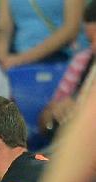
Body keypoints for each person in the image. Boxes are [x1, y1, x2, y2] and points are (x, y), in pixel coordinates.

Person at [39, 0, 96, 137]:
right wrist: (55, 113)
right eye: (90, 41)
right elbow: (44, 120)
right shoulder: (82, 60)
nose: (94, 48)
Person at [0, 0, 87, 70]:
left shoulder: (20, 60)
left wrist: (21, 59)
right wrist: (2, 58)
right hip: (20, 62)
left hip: (64, 57)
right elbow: (3, 28)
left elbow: (71, 29)